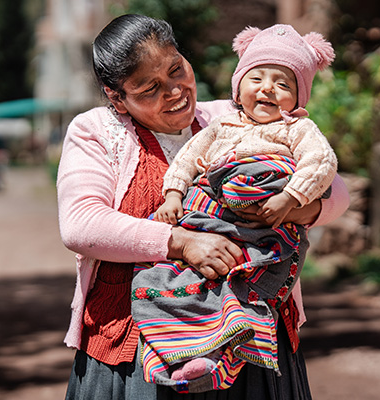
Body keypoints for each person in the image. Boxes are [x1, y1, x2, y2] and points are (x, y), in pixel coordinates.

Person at [57, 14, 350, 399]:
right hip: (137, 350)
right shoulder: (95, 131)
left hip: (247, 340)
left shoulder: (231, 118)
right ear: (117, 97)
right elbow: (82, 225)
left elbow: (337, 191)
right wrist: (180, 242)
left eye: (177, 69)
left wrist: (289, 208)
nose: (175, 91)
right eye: (150, 89)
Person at [131, 24, 338, 392]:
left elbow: (321, 165)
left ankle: (222, 360)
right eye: (256, 77)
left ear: (297, 99)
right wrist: (175, 196)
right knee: (178, 282)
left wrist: (290, 199)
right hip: (211, 218)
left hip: (265, 227)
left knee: (245, 291)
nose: (268, 88)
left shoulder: (298, 130)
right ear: (237, 89)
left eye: (283, 84)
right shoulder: (220, 125)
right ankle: (175, 351)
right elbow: (187, 159)